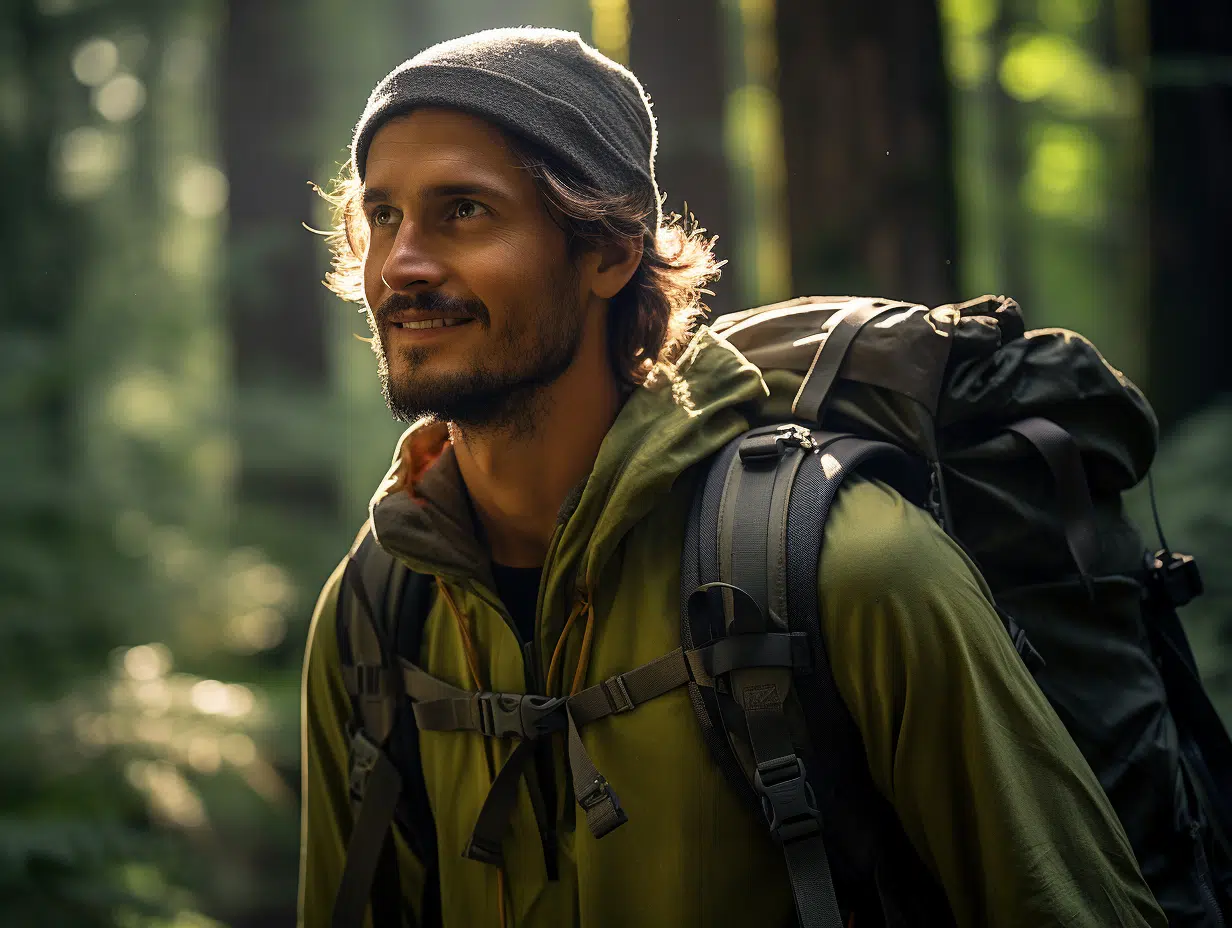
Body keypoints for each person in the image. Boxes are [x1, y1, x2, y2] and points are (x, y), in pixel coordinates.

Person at [298, 27, 1165, 928]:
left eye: (464, 210)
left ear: (608, 253)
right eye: (385, 215)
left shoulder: (847, 570)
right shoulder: (375, 612)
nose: (401, 264)